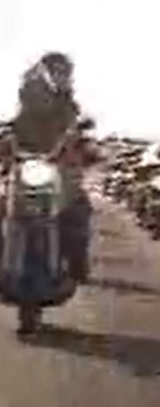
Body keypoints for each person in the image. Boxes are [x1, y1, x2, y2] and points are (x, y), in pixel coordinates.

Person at [0, 52, 98, 281]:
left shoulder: (70, 105)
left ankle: (77, 262)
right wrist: (6, 141)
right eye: (55, 70)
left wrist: (83, 146)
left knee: (79, 209)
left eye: (64, 71)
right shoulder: (28, 97)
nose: (60, 75)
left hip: (58, 170)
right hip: (23, 166)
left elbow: (76, 132)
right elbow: (15, 126)